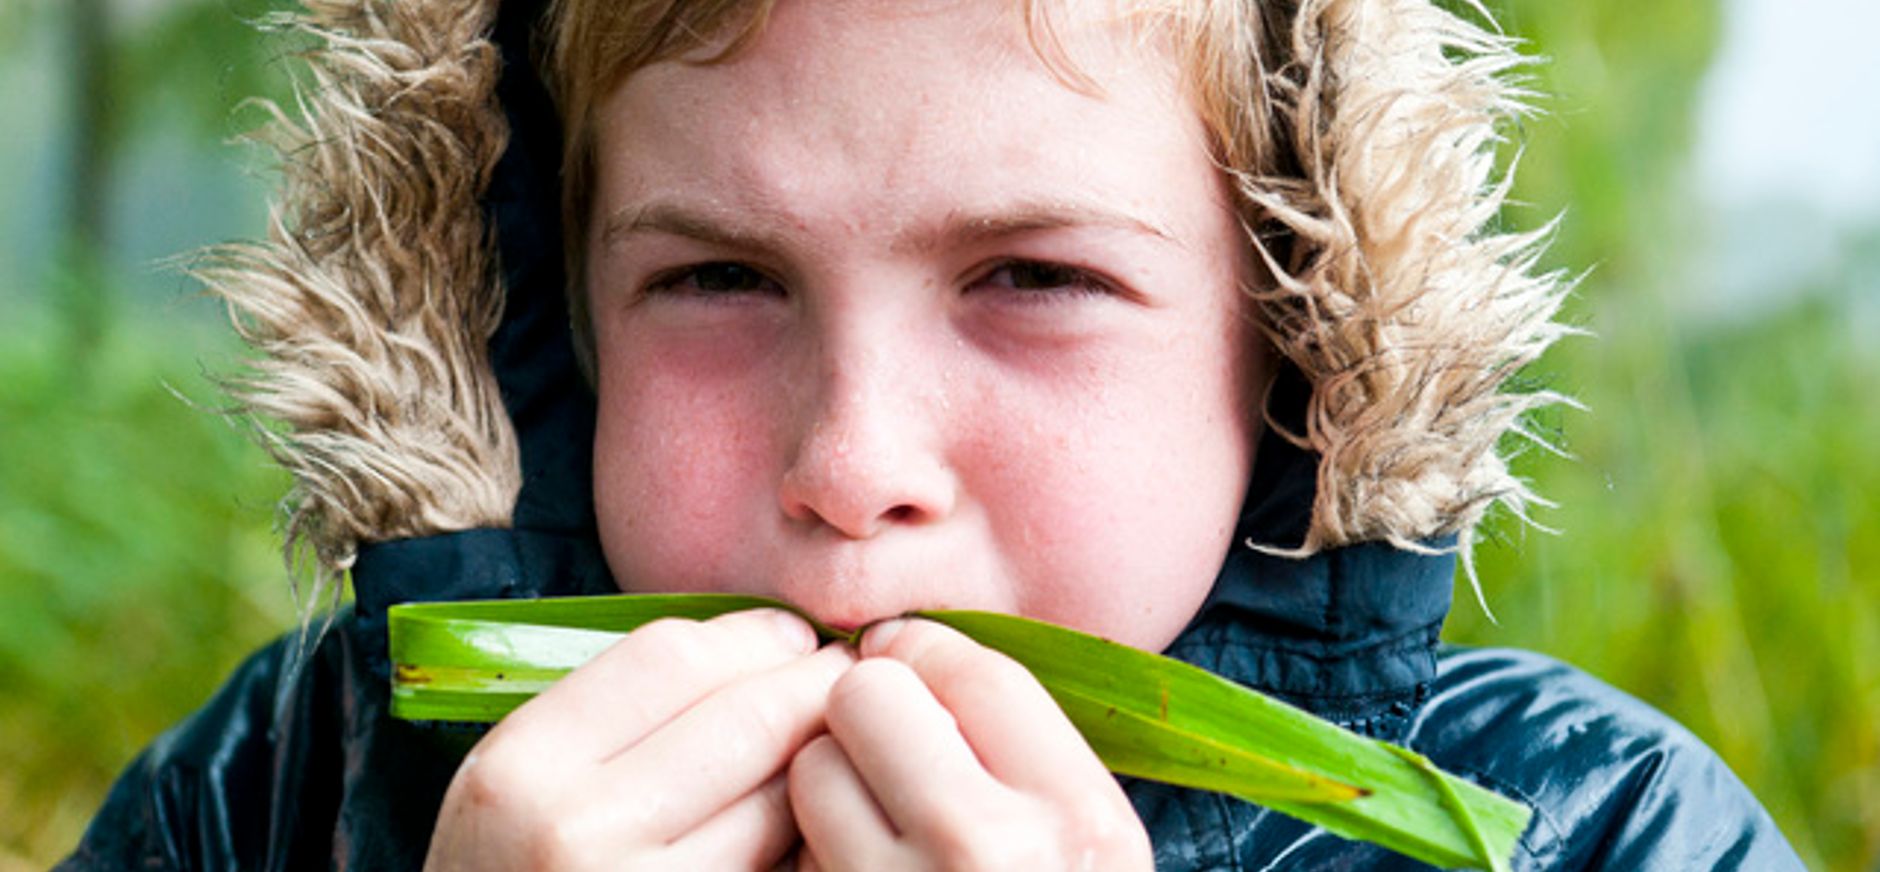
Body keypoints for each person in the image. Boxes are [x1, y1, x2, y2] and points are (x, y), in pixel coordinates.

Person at [61, 0, 1805, 869]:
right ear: (554, 322)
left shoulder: (1587, 827)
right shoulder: (282, 791)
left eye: (1033, 277)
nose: (852, 460)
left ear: (1297, 349)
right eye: (723, 276)